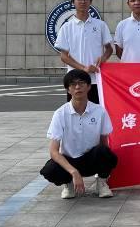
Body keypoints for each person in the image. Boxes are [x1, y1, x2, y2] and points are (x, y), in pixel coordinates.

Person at [40, 70, 118, 199]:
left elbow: (104, 142)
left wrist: (104, 169)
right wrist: (73, 172)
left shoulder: (99, 111)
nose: (77, 87)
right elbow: (54, 151)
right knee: (50, 169)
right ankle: (68, 183)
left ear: (88, 86)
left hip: (90, 159)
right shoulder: (60, 114)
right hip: (70, 160)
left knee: (105, 152)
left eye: (81, 83)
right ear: (68, 89)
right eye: (73, 84)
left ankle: (101, 183)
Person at [53, 0, 114, 104]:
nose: (83, 2)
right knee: (75, 113)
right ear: (73, 2)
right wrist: (83, 68)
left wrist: (103, 58)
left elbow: (109, 49)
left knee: (97, 113)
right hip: (75, 80)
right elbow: (64, 56)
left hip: (96, 79)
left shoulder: (100, 25)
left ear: (90, 1)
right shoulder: (66, 27)